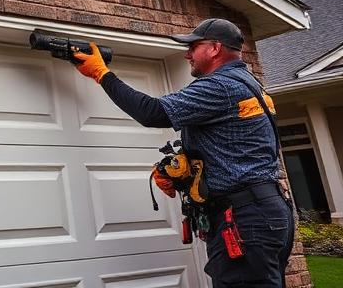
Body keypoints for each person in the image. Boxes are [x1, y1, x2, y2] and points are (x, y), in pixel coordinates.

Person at [73, 18, 294, 288]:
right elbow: (235, 145)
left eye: (193, 46)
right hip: (264, 210)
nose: (187, 54)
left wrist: (102, 74)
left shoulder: (220, 86)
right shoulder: (248, 83)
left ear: (214, 48)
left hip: (244, 217)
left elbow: (151, 112)